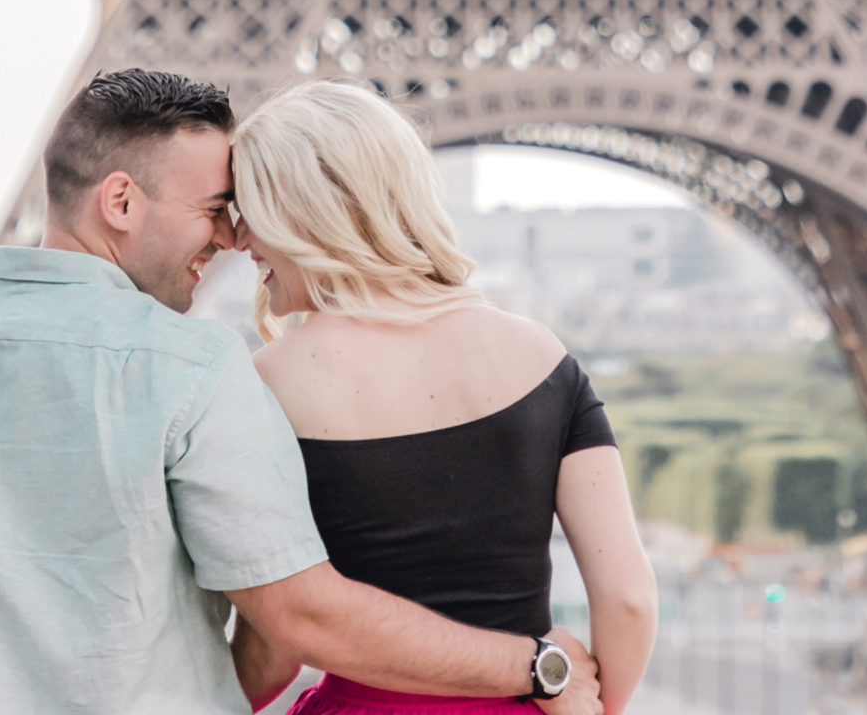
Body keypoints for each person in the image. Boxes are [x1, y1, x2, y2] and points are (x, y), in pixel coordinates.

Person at [0, 69, 601, 715]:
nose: (233, 239)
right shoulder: (192, 368)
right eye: (215, 208)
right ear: (121, 201)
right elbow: (296, 622)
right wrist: (534, 665)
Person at [224, 80, 658, 715]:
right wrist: (584, 702)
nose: (237, 239)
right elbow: (630, 600)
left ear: (304, 212)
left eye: (250, 211)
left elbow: (274, 653)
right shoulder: (540, 355)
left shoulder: (266, 383)